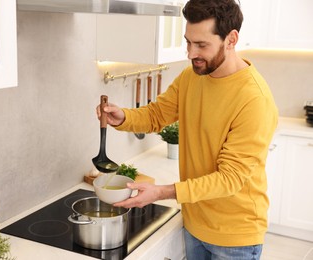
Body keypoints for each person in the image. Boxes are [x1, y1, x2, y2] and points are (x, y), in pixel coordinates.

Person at [96, 0, 278, 259]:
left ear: (231, 39)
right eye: (188, 42)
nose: (191, 53)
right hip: (194, 225)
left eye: (202, 45)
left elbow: (230, 178)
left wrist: (162, 192)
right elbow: (158, 114)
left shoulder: (253, 99)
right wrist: (123, 116)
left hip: (234, 237)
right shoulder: (192, 76)